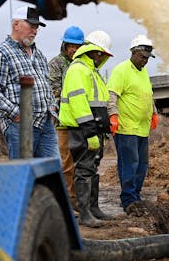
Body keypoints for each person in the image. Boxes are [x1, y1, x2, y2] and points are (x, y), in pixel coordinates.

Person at [0, 6, 59, 159]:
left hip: (45, 124)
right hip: (20, 127)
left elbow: (46, 84)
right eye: (31, 26)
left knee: (53, 174)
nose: (35, 30)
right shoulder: (0, 53)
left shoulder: (38, 54)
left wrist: (52, 107)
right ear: (16, 24)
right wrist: (16, 113)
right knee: (24, 174)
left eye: (37, 27)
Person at [59, 30, 113, 227]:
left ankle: (93, 208)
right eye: (101, 54)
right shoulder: (78, 69)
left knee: (93, 167)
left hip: (94, 128)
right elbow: (78, 102)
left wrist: (104, 128)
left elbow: (100, 102)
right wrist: (90, 131)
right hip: (82, 129)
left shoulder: (93, 72)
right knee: (83, 169)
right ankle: (84, 214)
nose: (102, 58)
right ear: (94, 51)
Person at [107, 34, 158, 215]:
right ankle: (128, 200)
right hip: (126, 127)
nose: (145, 61)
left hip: (142, 129)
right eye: (142, 57)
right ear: (134, 52)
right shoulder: (121, 70)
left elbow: (148, 95)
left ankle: (136, 196)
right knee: (129, 164)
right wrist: (113, 115)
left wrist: (153, 113)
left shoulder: (143, 73)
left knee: (142, 165)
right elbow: (111, 94)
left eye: (147, 58)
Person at [48, 26, 85, 210]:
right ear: (65, 45)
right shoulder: (56, 63)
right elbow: (53, 90)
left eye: (77, 46)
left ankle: (79, 203)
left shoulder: (83, 65)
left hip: (81, 122)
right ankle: (68, 205)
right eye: (71, 46)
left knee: (81, 166)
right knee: (66, 165)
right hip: (63, 123)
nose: (74, 50)